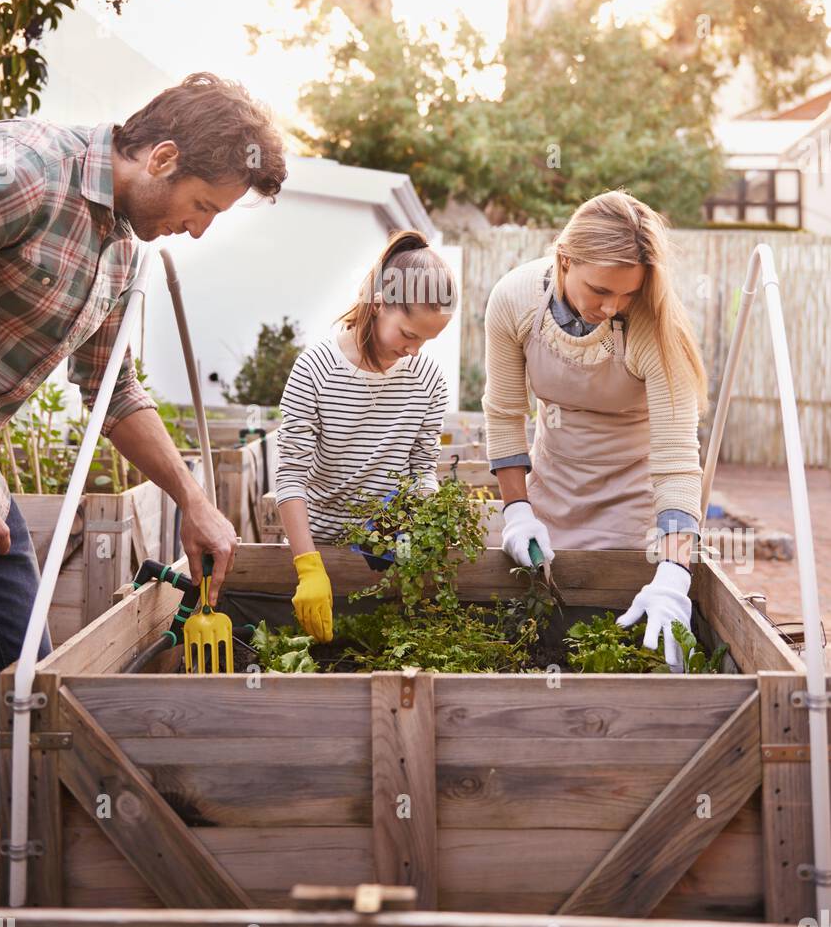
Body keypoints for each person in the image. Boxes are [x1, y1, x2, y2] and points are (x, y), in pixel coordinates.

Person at [0, 71, 287, 859]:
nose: (198, 231)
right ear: (162, 157)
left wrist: (192, 498)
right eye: (203, 208)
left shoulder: (120, 248)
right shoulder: (21, 173)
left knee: (17, 675)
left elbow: (111, 390)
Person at [482, 189, 707, 672]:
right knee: (546, 642)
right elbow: (503, 415)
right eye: (601, 290)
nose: (613, 306)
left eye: (628, 292)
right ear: (565, 260)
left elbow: (677, 464)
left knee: (625, 650)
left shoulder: (654, 325)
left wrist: (673, 571)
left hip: (634, 511)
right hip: (552, 497)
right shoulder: (516, 300)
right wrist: (518, 511)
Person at [276, 231, 456, 643]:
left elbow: (422, 468)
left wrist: (419, 523)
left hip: (387, 560)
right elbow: (290, 478)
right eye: (409, 334)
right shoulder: (316, 369)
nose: (415, 350)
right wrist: (308, 567)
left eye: (427, 341)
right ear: (379, 305)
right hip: (318, 549)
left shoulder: (428, 380)